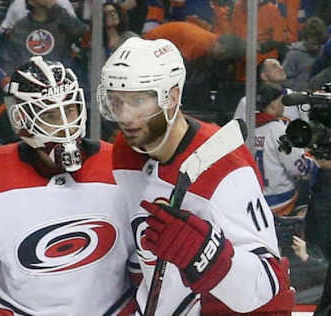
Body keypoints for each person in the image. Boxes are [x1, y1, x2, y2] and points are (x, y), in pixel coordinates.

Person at [0, 56, 139, 315]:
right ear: (21, 120)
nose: (65, 125)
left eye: (69, 109)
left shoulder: (125, 169)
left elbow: (151, 282)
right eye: (49, 113)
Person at [98, 37, 295, 315]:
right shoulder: (127, 149)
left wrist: (205, 254)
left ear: (173, 96)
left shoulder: (224, 165)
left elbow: (266, 285)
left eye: (139, 100)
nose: (126, 116)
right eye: (117, 102)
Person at [253, 83, 316, 216]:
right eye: (281, 102)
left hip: (255, 202)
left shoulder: (251, 128)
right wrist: (312, 158)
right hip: (280, 202)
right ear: (273, 105)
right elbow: (300, 168)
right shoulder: (280, 130)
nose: (283, 106)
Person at [233, 58, 309, 123]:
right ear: (264, 76)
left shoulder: (297, 98)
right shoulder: (247, 102)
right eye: (274, 66)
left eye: (280, 65)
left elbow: (307, 125)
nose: (281, 68)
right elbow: (236, 131)